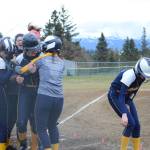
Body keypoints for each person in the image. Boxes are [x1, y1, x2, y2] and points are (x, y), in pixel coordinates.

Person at [27, 35, 64, 150]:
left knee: (41, 128)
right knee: (52, 125)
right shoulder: (62, 62)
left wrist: (29, 66)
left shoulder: (41, 59)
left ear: (49, 45)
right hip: (59, 99)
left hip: (44, 97)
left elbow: (32, 70)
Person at [107, 57, 150, 150]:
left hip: (126, 97)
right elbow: (121, 95)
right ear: (139, 71)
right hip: (115, 96)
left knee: (137, 126)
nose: (145, 78)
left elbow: (133, 93)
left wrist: (128, 104)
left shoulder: (141, 77)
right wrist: (124, 113)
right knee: (131, 124)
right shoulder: (129, 76)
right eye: (144, 75)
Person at [16, 33, 41, 150]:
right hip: (25, 92)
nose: (34, 52)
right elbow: (15, 74)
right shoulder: (19, 58)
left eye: (35, 49)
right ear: (25, 49)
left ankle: (35, 147)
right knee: (21, 122)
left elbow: (47, 75)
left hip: (38, 93)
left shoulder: (41, 57)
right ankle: (23, 144)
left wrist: (35, 72)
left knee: (35, 122)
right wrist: (17, 78)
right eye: (31, 50)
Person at [0, 37, 16, 150]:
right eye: (6, 52)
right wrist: (11, 67)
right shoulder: (0, 60)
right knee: (3, 124)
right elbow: (2, 79)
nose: (7, 55)